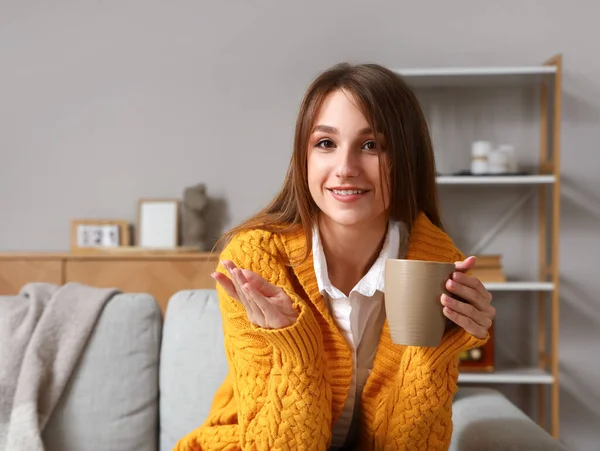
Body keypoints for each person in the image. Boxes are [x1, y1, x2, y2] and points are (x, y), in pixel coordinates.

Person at [174, 62, 495, 451]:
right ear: (304, 156)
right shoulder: (256, 258)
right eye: (326, 143)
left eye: (371, 145)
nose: (345, 168)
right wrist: (295, 348)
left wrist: (437, 351)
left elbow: (410, 445)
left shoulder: (437, 263)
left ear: (406, 158)